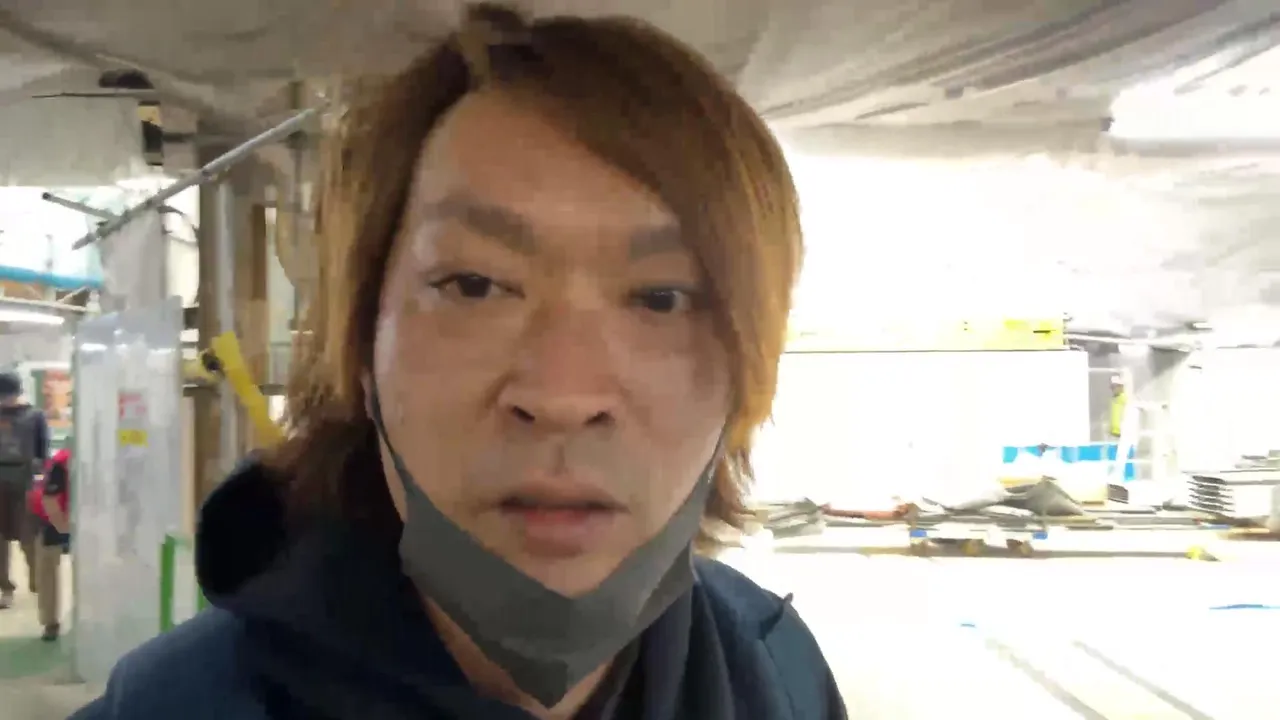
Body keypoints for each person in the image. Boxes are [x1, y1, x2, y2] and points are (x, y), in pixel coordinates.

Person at [73, 4, 841, 719]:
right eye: (474, 285)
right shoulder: (172, 705)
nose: (562, 394)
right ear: (362, 346)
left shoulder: (779, 674)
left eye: (663, 297)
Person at [0, 369, 48, 609]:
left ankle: (37, 581)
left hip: (26, 479)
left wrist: (41, 476)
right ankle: (5, 588)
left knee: (28, 536)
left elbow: (43, 449)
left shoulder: (34, 416)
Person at [29, 445, 71, 641]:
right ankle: (50, 622)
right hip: (52, 519)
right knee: (47, 569)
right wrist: (64, 528)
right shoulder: (61, 464)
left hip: (84, 520)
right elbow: (50, 500)